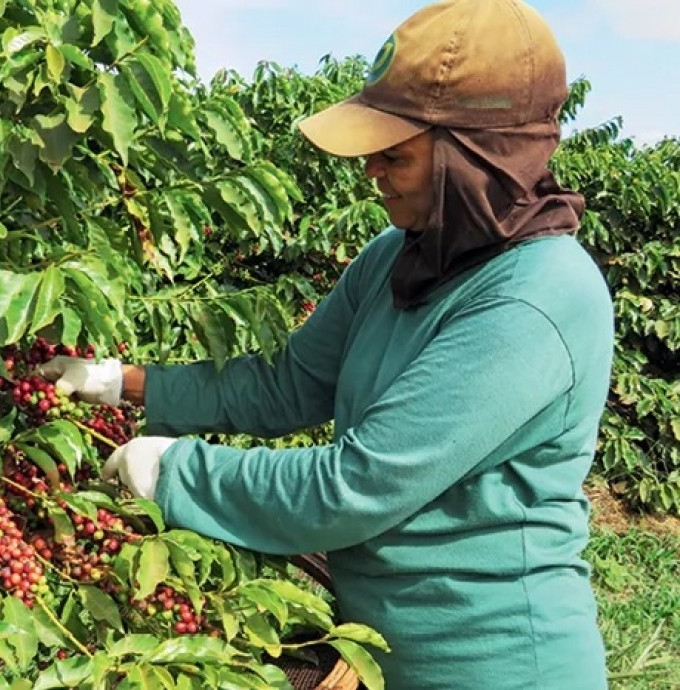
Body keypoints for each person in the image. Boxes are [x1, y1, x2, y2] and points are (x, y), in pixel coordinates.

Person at [40, 0, 614, 688]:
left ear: (475, 160)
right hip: (375, 655)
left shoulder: (537, 296)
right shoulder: (396, 258)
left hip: (495, 666)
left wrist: (176, 472)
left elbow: (356, 486)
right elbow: (289, 385)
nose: (371, 172)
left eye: (394, 155)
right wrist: (122, 383)